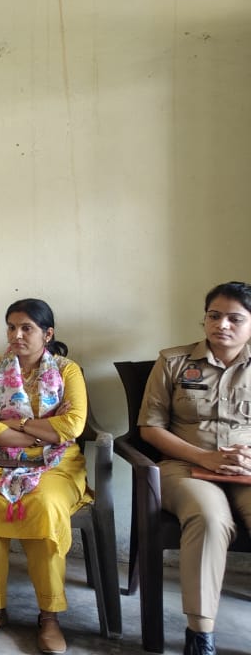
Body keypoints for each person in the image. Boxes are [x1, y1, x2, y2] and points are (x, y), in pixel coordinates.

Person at [0, 298, 88, 655]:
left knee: (46, 504)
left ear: (48, 334)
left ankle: (49, 614)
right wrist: (41, 433)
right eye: (11, 327)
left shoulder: (68, 371)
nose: (17, 335)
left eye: (26, 328)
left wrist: (21, 423)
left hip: (55, 462)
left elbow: (73, 426)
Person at [138, 281, 251, 655]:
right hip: (184, 466)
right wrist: (203, 457)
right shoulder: (173, 362)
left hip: (246, 471)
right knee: (209, 518)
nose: (222, 325)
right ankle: (200, 635)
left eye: (235, 318)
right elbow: (150, 427)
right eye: (214, 316)